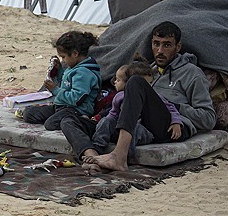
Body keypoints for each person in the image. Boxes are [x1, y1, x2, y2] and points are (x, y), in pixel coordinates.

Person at [83, 21, 216, 172]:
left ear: (177, 47)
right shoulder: (150, 70)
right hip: (143, 125)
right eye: (156, 44)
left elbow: (209, 119)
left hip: (172, 128)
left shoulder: (192, 73)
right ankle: (91, 155)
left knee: (135, 81)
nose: (160, 50)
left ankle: (119, 156)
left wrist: (175, 107)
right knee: (70, 120)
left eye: (167, 45)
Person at [20, 30, 101, 161]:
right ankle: (59, 115)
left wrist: (56, 90)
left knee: (50, 123)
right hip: (62, 106)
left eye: (64, 57)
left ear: (75, 54)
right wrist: (59, 70)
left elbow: (76, 98)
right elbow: (68, 82)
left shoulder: (85, 73)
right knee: (29, 113)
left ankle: (81, 120)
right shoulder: (74, 67)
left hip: (75, 110)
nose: (63, 60)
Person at [88, 60, 183, 163]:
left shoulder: (155, 96)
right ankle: (97, 149)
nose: (147, 88)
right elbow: (113, 114)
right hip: (121, 129)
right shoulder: (118, 97)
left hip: (144, 131)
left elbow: (171, 107)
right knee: (106, 121)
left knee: (134, 127)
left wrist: (176, 122)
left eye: (149, 84)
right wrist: (105, 125)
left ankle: (125, 156)